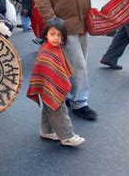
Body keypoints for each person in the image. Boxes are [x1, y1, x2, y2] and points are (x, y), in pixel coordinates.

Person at [33, 0, 101, 120]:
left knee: (76, 63)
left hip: (83, 22)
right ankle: (80, 102)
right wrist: (54, 27)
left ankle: (72, 96)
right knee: (79, 64)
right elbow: (42, 0)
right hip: (63, 25)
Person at [27, 18, 85, 146]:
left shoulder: (56, 48)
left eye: (59, 35)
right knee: (59, 110)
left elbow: (61, 67)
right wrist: (53, 86)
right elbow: (41, 70)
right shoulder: (46, 52)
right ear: (45, 35)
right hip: (50, 86)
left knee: (49, 107)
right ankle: (67, 136)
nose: (56, 38)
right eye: (52, 34)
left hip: (50, 87)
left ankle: (46, 131)